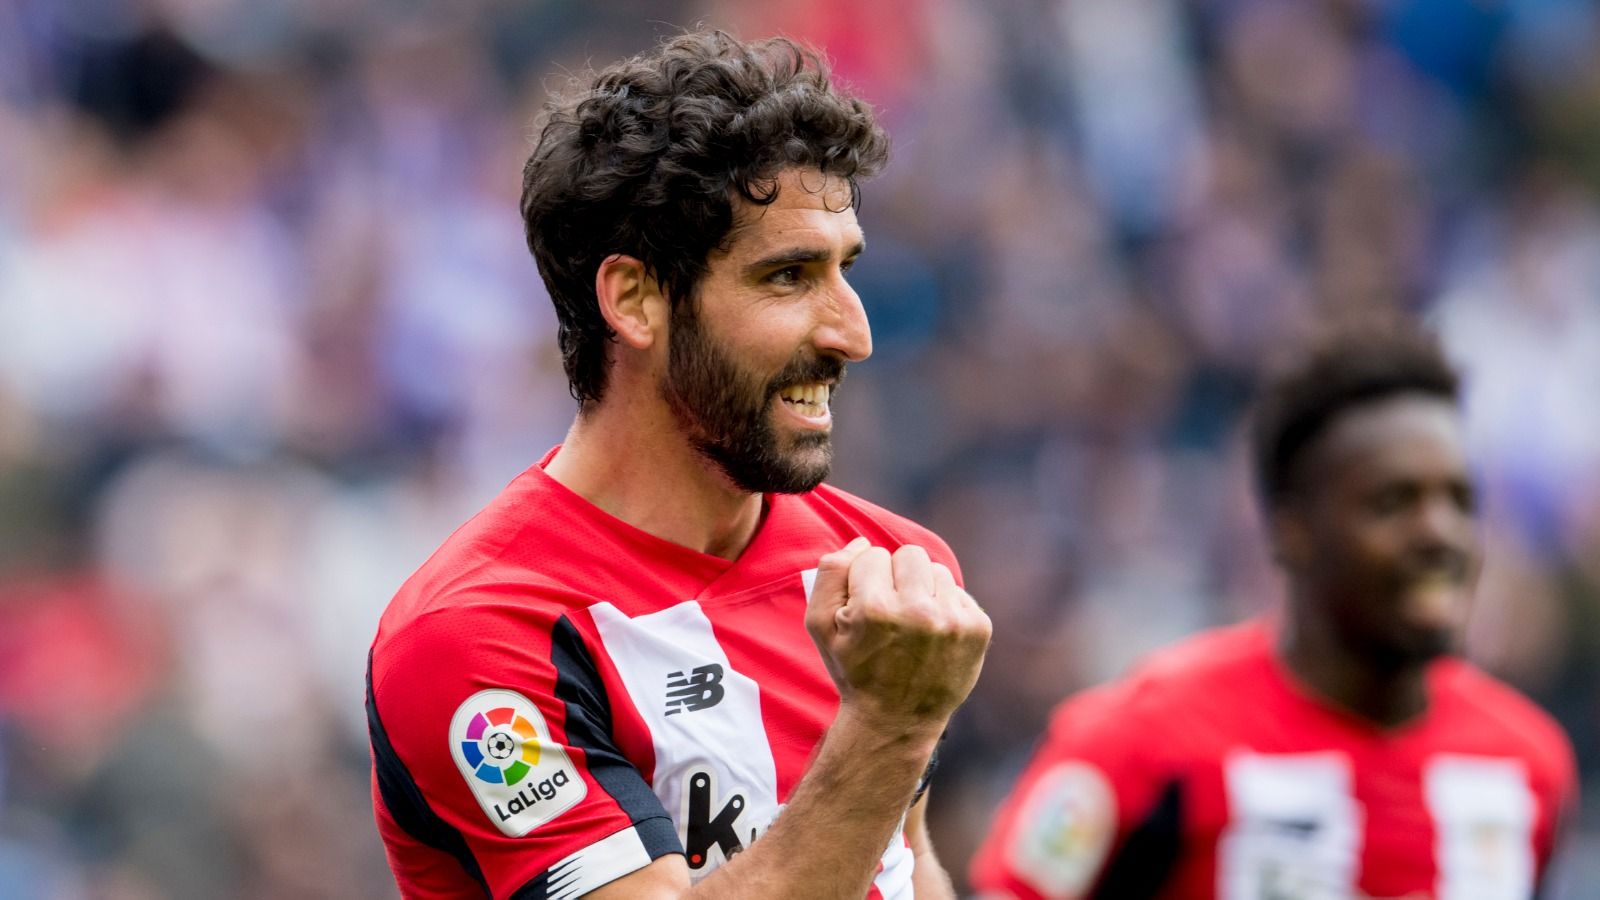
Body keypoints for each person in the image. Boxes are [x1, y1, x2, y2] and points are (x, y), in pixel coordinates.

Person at [366, 30, 991, 900]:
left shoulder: (884, 570)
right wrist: (887, 724)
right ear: (635, 298)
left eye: (844, 269)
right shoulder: (481, 633)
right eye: (788, 277)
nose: (854, 333)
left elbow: (907, 869)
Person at [970, 323, 1578, 899]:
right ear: (1293, 530)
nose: (1440, 533)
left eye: (1460, 501)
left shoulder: (1530, 766)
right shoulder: (1142, 742)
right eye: (1394, 502)